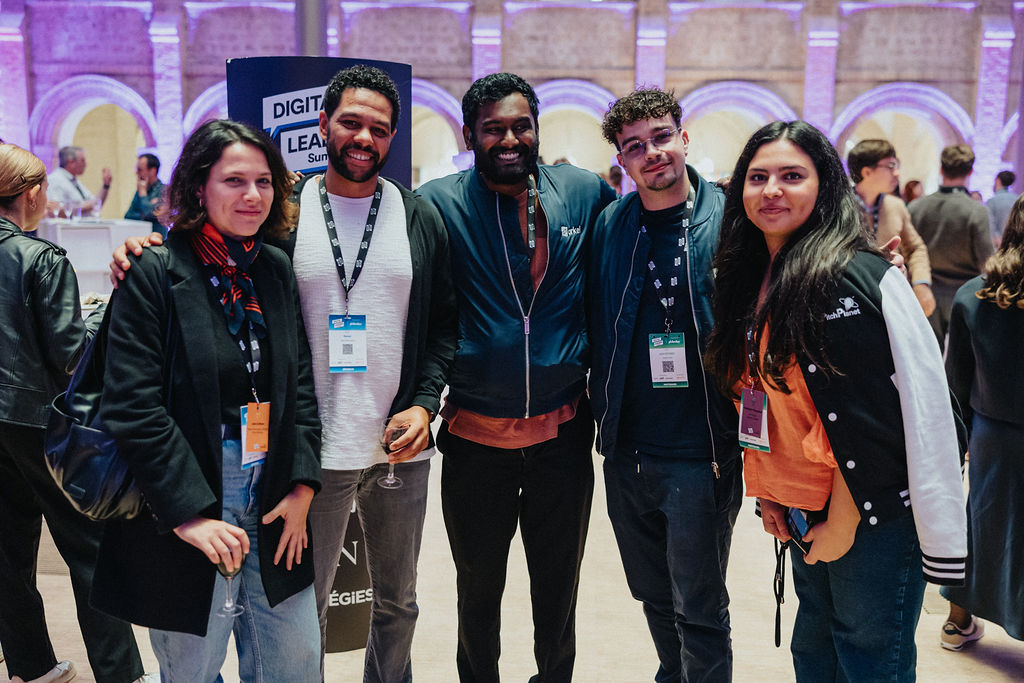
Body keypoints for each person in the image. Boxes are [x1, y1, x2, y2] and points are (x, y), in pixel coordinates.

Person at [109, 65, 456, 682]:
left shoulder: (395, 222)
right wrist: (145, 251)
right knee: (216, 646)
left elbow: (428, 330)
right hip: (259, 466)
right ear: (322, 126)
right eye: (350, 121)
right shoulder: (275, 228)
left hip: (320, 462)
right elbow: (136, 401)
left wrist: (425, 403)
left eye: (379, 128)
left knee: (370, 614)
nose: (251, 195)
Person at [705, 121, 967, 681]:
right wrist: (771, 492)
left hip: (868, 513)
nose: (771, 189)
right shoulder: (754, 277)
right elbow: (765, 398)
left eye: (791, 176)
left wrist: (844, 521)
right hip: (803, 505)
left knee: (867, 656)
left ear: (824, 185)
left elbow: (875, 418)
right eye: (758, 177)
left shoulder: (847, 276)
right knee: (817, 651)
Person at [91, 120, 323, 681]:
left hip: (271, 489)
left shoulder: (273, 267)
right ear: (199, 188)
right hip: (188, 488)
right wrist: (188, 517)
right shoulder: (153, 271)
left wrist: (302, 486)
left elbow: (300, 385)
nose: (252, 196)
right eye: (234, 180)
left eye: (264, 182)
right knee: (193, 667)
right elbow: (132, 405)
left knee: (294, 660)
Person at [417, 72, 617, 682]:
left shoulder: (583, 193)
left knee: (559, 589)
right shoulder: (437, 204)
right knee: (477, 591)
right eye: (494, 128)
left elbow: (646, 241)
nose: (510, 139)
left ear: (537, 127)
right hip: (476, 440)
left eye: (520, 125)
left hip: (562, 435)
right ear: (470, 134)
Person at [587, 87, 742, 681]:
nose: (651, 153)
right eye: (634, 147)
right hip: (628, 449)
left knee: (700, 608)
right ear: (621, 162)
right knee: (653, 595)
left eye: (660, 137)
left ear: (684, 137)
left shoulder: (730, 221)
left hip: (701, 451)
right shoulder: (611, 227)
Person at [0, 143, 146, 683]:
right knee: (90, 550)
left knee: (7, 551)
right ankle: (122, 673)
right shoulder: (40, 258)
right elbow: (69, 355)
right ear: (33, 191)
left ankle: (31, 666)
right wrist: (98, 318)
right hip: (37, 421)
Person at [940, 192, 1024, 651]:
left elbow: (956, 381)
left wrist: (960, 441)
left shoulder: (975, 293)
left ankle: (957, 621)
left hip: (993, 432)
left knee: (980, 524)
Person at [909, 144, 993, 349]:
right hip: (965, 293)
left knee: (929, 357)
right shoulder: (976, 211)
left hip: (927, 291)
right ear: (970, 172)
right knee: (961, 360)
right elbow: (986, 260)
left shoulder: (916, 207)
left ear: (941, 169)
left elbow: (909, 250)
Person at [847, 139, 935, 316]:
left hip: (891, 299)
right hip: (852, 299)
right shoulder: (839, 207)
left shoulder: (895, 206)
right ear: (867, 171)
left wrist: (921, 283)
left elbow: (916, 247)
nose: (897, 173)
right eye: (891, 166)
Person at [46, 145, 111, 216]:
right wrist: (85, 206)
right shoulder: (54, 180)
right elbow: (54, 210)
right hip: (68, 226)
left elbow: (96, 203)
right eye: (82, 160)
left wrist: (106, 185)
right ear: (71, 162)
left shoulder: (74, 181)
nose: (85, 164)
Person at [124, 153, 167, 235]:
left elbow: (149, 214)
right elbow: (128, 216)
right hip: (139, 238)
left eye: (140, 169)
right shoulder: (140, 190)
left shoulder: (164, 191)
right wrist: (147, 212)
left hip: (157, 241)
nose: (136, 173)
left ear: (152, 171)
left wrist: (143, 194)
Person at [985, 170, 1016, 246]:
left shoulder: (992, 202)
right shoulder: (1017, 199)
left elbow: (990, 226)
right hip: (1016, 246)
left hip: (998, 246)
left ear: (997, 181)